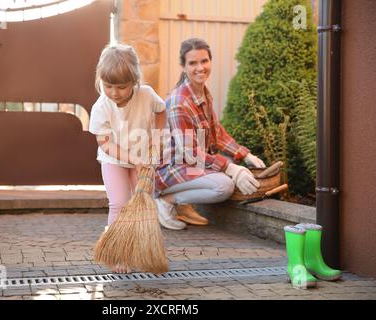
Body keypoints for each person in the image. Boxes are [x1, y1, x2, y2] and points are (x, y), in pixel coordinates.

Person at [154, 38, 266, 230]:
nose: (200, 67)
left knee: (230, 169)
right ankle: (166, 201)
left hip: (191, 165)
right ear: (183, 66)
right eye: (193, 63)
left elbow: (217, 133)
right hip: (172, 169)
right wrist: (230, 168)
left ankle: (183, 205)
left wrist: (245, 154)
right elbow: (190, 154)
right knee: (223, 186)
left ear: (210, 61)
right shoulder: (180, 101)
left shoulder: (203, 94)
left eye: (204, 61)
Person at [88, 44, 167, 273]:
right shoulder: (101, 106)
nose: (114, 92)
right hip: (114, 160)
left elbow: (161, 110)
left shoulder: (146, 94)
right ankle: (117, 253)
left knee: (142, 202)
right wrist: (133, 158)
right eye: (108, 85)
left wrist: (157, 137)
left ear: (135, 81)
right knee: (120, 203)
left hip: (142, 157)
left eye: (121, 87)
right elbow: (105, 142)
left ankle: (140, 249)